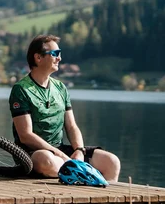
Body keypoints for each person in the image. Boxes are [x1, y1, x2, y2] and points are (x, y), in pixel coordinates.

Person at [8, 34, 121, 181]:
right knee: (47, 159)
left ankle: (101, 198)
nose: (59, 58)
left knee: (111, 162)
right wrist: (59, 154)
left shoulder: (60, 88)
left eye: (59, 53)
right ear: (38, 58)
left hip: (60, 151)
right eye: (54, 54)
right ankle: (77, 179)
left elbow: (72, 126)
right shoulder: (21, 89)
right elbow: (26, 135)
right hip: (33, 153)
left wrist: (79, 150)